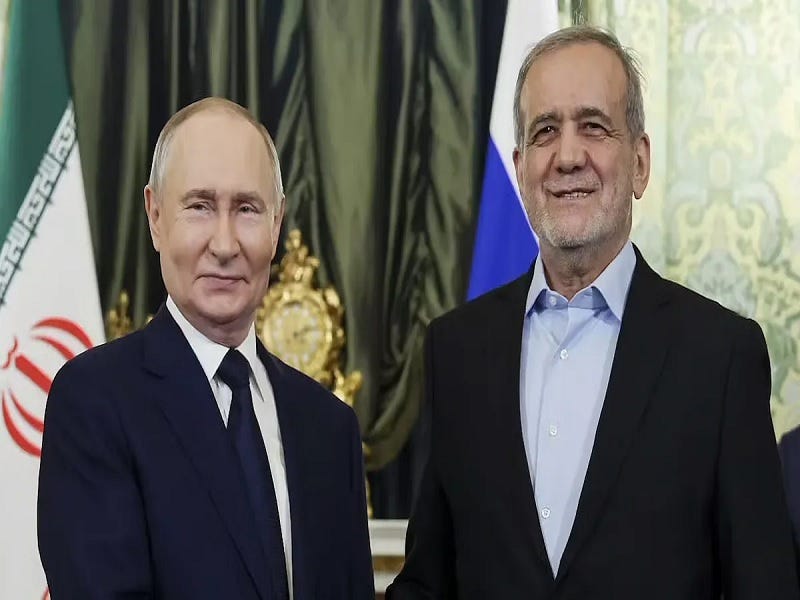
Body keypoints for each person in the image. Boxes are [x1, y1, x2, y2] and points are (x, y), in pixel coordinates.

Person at [387, 26, 799, 599]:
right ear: (520, 169)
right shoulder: (456, 350)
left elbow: (764, 585)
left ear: (639, 163)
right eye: (545, 131)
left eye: (594, 127)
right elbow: (428, 581)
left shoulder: (721, 356)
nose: (567, 156)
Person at [37, 97, 374, 599]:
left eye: (247, 209)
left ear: (277, 224)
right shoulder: (94, 402)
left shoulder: (329, 427)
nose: (224, 244)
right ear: (155, 216)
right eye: (199, 206)